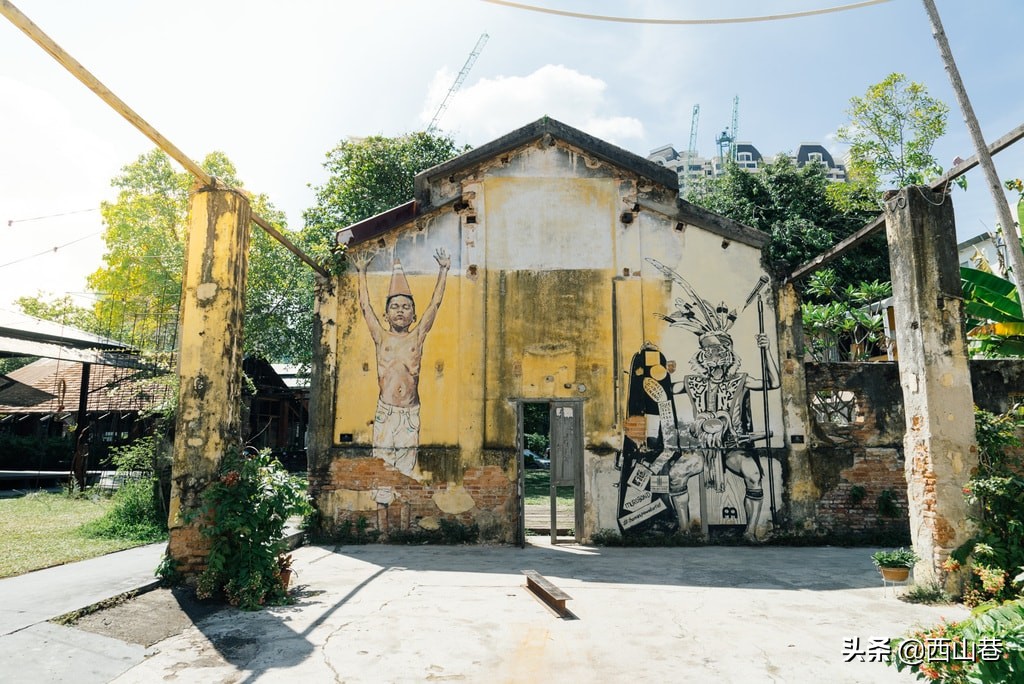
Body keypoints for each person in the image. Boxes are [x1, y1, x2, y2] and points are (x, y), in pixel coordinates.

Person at [352, 247, 450, 477]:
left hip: (409, 413)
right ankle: (382, 515)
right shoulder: (381, 336)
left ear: (414, 316)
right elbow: (365, 306)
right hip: (385, 412)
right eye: (394, 307)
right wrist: (361, 272)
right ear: (385, 314)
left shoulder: (417, 336)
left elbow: (435, 304)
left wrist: (444, 269)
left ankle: (405, 515)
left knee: (405, 474)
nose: (400, 311)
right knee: (382, 472)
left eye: (406, 307)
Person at [673, 329, 779, 540]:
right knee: (676, 475)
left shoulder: (741, 380)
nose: (715, 359)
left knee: (754, 475)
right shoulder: (693, 383)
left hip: (733, 446)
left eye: (720, 353)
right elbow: (663, 388)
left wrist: (766, 351)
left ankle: (750, 531)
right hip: (702, 447)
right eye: (710, 353)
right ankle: (683, 529)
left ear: (728, 356)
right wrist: (660, 369)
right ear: (703, 358)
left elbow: (773, 383)